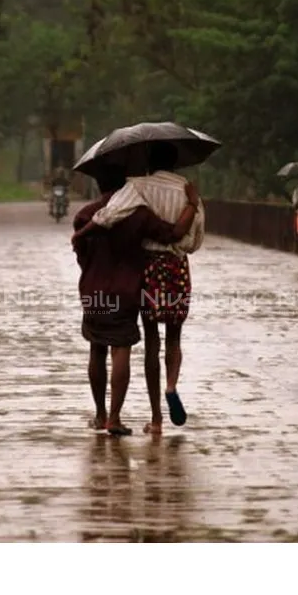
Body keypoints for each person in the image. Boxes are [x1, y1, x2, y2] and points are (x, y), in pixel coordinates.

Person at [71, 142, 204, 435]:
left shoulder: (95, 210)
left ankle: (118, 416)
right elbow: (187, 238)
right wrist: (191, 205)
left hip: (104, 287)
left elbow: (92, 233)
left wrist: (84, 243)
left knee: (105, 347)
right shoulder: (176, 196)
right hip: (159, 275)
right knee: (159, 340)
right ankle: (162, 392)